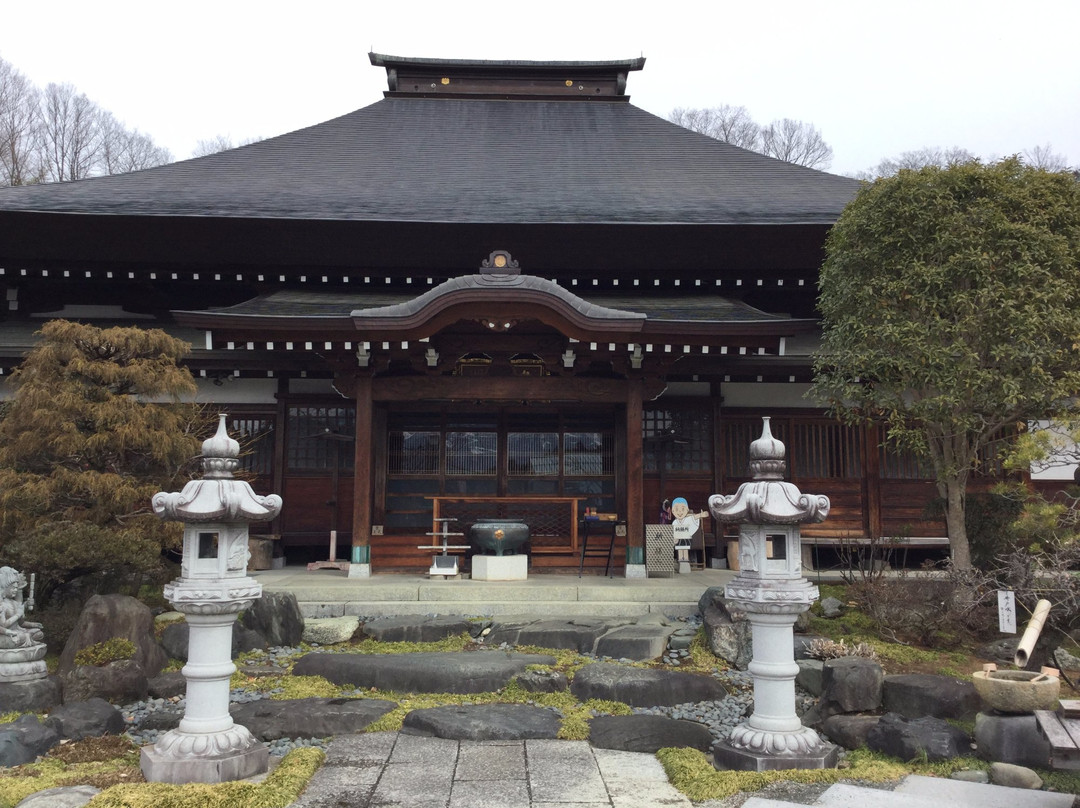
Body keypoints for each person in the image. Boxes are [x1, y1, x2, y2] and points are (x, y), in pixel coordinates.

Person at [0, 567, 44, 648]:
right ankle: (25, 639)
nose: (15, 590)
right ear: (5, 588)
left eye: (16, 588)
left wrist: (33, 625)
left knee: (39, 633)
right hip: (5, 635)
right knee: (19, 638)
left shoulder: (15, 603)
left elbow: (21, 623)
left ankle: (25, 638)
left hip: (18, 632)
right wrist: (18, 614)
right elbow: (3, 625)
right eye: (13, 588)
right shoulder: (1, 604)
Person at [670, 497, 708, 570]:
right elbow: (673, 530)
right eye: (677, 509)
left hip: (685, 537)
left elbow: (693, 518)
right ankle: (681, 559)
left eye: (683, 509)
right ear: (673, 511)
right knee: (680, 549)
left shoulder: (688, 519)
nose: (680, 512)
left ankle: (685, 559)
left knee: (685, 549)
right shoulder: (675, 522)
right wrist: (674, 538)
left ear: (687, 510)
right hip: (678, 538)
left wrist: (701, 515)